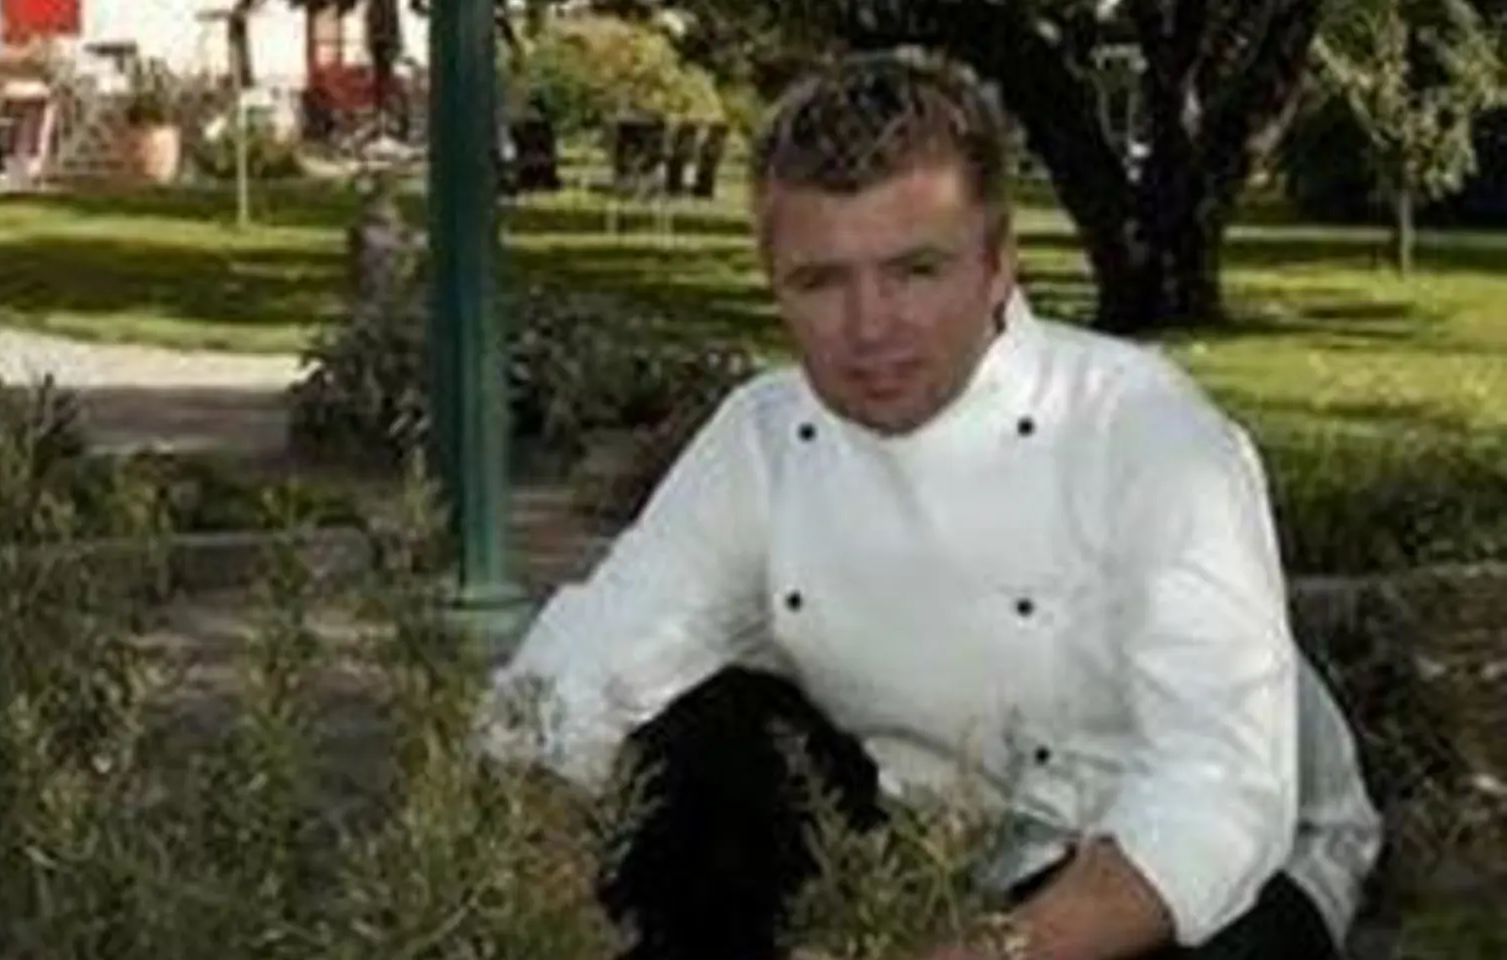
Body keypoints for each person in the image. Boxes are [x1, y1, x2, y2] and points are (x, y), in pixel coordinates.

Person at [473, 49, 1385, 960]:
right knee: (706, 744)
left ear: (998, 265)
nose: (870, 328)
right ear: (774, 282)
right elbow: (583, 672)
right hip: (913, 838)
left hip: (1183, 859)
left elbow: (1218, 791)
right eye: (821, 282)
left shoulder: (1147, 434)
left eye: (916, 270)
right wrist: (517, 870)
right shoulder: (763, 438)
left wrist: (990, 954)